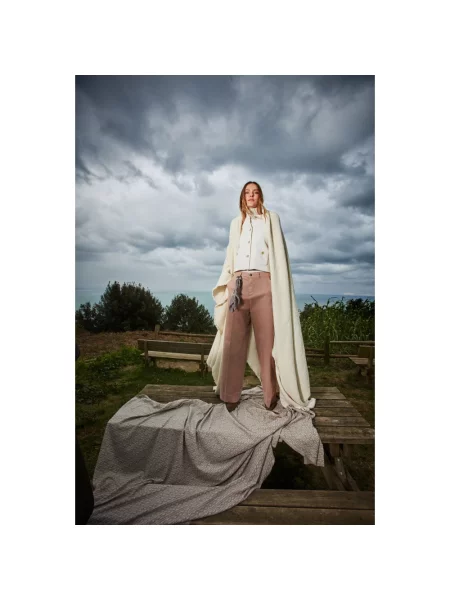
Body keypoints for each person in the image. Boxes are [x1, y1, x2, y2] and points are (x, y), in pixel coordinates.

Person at [219, 182, 279, 413]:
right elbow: (230, 254)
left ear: (260, 195)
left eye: (255, 192)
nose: (251, 195)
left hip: (264, 284)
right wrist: (229, 282)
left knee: (267, 343)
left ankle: (270, 394)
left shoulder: (271, 219)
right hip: (238, 285)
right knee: (232, 343)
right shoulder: (236, 223)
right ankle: (230, 395)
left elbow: (278, 253)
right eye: (247, 192)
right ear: (242, 197)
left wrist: (273, 282)